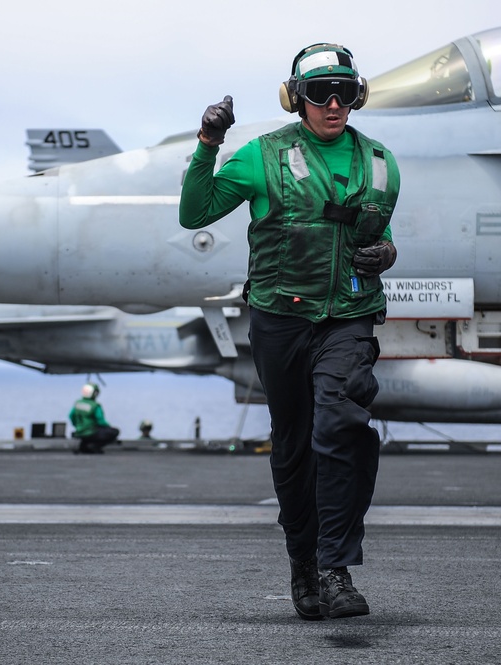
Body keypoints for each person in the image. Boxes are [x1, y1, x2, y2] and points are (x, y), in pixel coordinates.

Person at [179, 43, 400, 621]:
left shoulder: (381, 163)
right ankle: (303, 563)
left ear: (358, 96)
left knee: (342, 417)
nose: (333, 104)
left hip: (348, 315)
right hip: (280, 318)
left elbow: (376, 236)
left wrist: (387, 252)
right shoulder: (262, 157)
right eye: (320, 92)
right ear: (294, 98)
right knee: (294, 444)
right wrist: (208, 144)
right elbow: (195, 212)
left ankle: (336, 568)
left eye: (345, 93)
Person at [68, 383, 120, 454]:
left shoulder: (78, 404)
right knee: (114, 432)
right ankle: (95, 446)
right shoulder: (95, 406)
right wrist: (108, 427)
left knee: (87, 436)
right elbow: (101, 421)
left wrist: (77, 426)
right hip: (91, 432)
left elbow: (71, 416)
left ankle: (84, 447)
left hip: (79, 431)